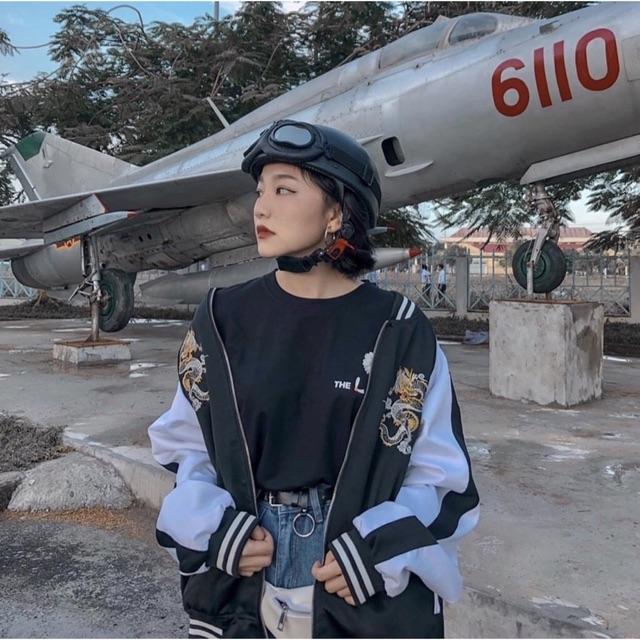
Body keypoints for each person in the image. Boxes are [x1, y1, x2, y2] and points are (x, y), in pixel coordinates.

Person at [148, 120, 479, 639]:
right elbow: (187, 448)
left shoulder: (399, 331)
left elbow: (440, 475)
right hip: (242, 590)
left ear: (336, 213)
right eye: (261, 191)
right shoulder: (220, 320)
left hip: (360, 594)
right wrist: (215, 530)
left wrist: (378, 551)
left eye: (284, 190)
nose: (261, 208)